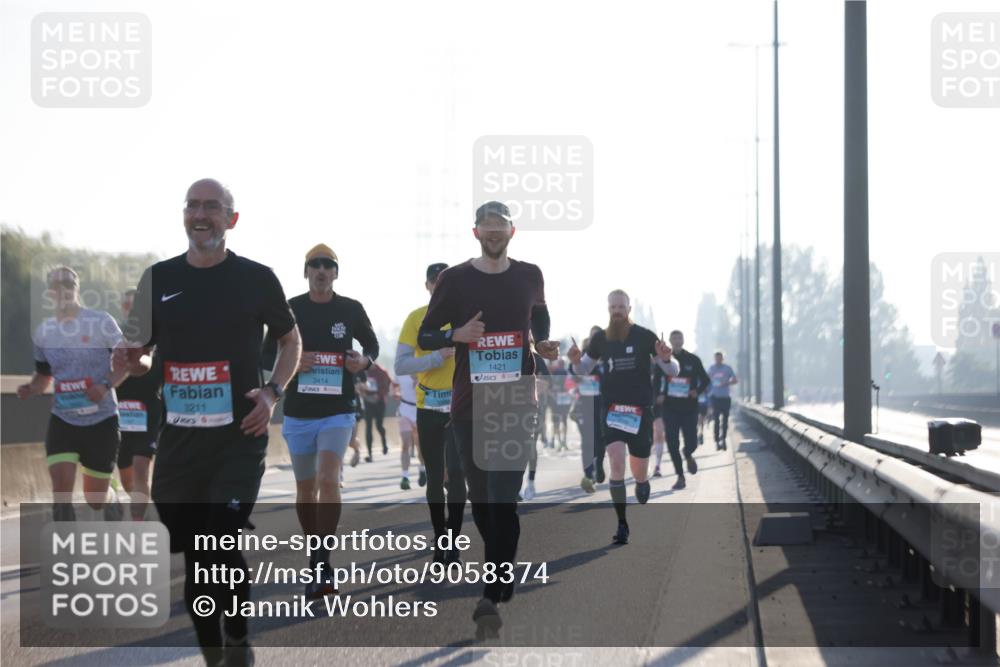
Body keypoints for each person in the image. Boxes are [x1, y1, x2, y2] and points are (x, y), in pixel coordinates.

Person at [116, 179, 301, 667]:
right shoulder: (158, 278)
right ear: (184, 216)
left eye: (212, 208)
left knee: (220, 537)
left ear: (231, 219)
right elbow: (139, 356)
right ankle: (215, 652)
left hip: (240, 437)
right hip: (178, 444)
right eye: (193, 206)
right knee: (199, 559)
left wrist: (272, 392)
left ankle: (236, 639)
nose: (202, 215)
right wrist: (130, 362)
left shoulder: (257, 278)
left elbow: (290, 341)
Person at [418, 201, 558, 638]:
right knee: (481, 502)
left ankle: (489, 593)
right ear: (475, 232)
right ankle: (501, 570)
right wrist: (454, 335)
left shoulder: (530, 274)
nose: (494, 232)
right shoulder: (454, 279)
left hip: (516, 399)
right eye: (487, 226)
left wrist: (543, 343)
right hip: (468, 406)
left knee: (502, 498)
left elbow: (539, 316)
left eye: (501, 225)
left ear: (513, 231)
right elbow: (426, 334)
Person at [262, 243, 378, 599]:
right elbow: (267, 353)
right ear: (306, 272)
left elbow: (371, 346)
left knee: (329, 480)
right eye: (315, 265)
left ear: (336, 273)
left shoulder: (351, 309)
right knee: (305, 490)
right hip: (297, 413)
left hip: (338, 411)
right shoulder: (290, 309)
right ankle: (315, 552)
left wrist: (364, 362)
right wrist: (297, 362)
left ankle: (322, 562)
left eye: (328, 265)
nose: (322, 270)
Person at [18, 265, 130, 522]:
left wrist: (105, 386)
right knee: (61, 490)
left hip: (101, 421)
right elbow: (43, 377)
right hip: (64, 420)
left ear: (77, 289)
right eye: (58, 286)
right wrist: (30, 388)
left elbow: (124, 365)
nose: (64, 290)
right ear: (50, 293)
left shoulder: (101, 322)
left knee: (95, 500)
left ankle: (110, 497)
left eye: (69, 284)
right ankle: (65, 548)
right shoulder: (44, 332)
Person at [568, 290, 679, 545]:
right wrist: (575, 361)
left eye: (620, 307)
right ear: (608, 309)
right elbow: (583, 368)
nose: (616, 311)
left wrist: (665, 357)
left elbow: (672, 370)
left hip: (640, 410)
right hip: (613, 409)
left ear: (629, 309)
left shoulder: (644, 336)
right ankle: (621, 524)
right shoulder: (600, 339)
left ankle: (642, 481)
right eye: (612, 307)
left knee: (638, 467)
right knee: (616, 461)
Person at [395, 262, 466, 564]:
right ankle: (440, 540)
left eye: (445, 281)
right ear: (427, 287)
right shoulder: (416, 318)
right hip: (428, 408)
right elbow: (401, 365)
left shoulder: (466, 317)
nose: (440, 286)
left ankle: (453, 540)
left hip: (460, 408)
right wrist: (434, 358)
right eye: (435, 282)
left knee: (458, 478)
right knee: (436, 478)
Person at [115, 288, 162, 520]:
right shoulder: (114, 334)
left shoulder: (157, 333)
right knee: (127, 476)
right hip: (120, 411)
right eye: (127, 305)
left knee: (141, 468)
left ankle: (137, 523)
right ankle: (135, 505)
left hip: (149, 410)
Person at [660, 330, 710, 490]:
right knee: (672, 443)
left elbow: (706, 380)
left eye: (679, 337)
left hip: (689, 408)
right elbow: (655, 379)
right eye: (673, 337)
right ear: (670, 340)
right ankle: (680, 476)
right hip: (670, 409)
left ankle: (688, 454)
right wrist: (658, 395)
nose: (676, 340)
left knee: (692, 443)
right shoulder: (664, 360)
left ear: (683, 340)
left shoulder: (693, 360)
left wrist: (697, 391)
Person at [571, 325, 604, 492]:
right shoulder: (583, 357)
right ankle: (588, 474)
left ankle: (599, 464)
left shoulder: (607, 356)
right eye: (593, 336)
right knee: (587, 441)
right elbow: (573, 375)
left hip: (603, 404)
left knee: (600, 440)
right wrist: (575, 363)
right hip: (584, 404)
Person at [521, 350, 551, 501]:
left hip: (534, 409)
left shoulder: (535, 357)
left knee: (530, 446)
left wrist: (536, 383)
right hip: (510, 408)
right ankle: (515, 486)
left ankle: (530, 483)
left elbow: (547, 382)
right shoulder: (506, 354)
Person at [395, 372, 427, 489]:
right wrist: (395, 392)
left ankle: (423, 469)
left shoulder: (421, 370)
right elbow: (394, 386)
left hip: (420, 410)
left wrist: (418, 381)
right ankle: (405, 477)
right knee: (405, 445)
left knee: (420, 446)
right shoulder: (400, 371)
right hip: (404, 410)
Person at [359, 361, 391, 461]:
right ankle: (370, 454)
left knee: (379, 425)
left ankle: (384, 442)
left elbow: (387, 385)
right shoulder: (363, 371)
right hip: (368, 401)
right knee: (368, 426)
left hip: (379, 402)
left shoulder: (382, 371)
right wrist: (362, 392)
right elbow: (359, 383)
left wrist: (380, 394)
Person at [707, 351, 738, 450]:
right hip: (715, 397)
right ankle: (717, 441)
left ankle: (723, 438)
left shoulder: (727, 368)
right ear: (714, 358)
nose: (718, 360)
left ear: (722, 358)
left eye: (720, 358)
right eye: (716, 358)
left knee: (725, 420)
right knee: (716, 420)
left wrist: (727, 382)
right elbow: (706, 380)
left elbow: (735, 380)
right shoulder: (711, 369)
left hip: (725, 397)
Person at [549, 359, 572, 451]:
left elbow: (549, 388)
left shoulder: (554, 374)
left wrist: (553, 395)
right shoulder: (566, 373)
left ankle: (559, 441)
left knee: (557, 421)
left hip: (556, 399)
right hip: (564, 399)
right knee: (564, 420)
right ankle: (563, 442)